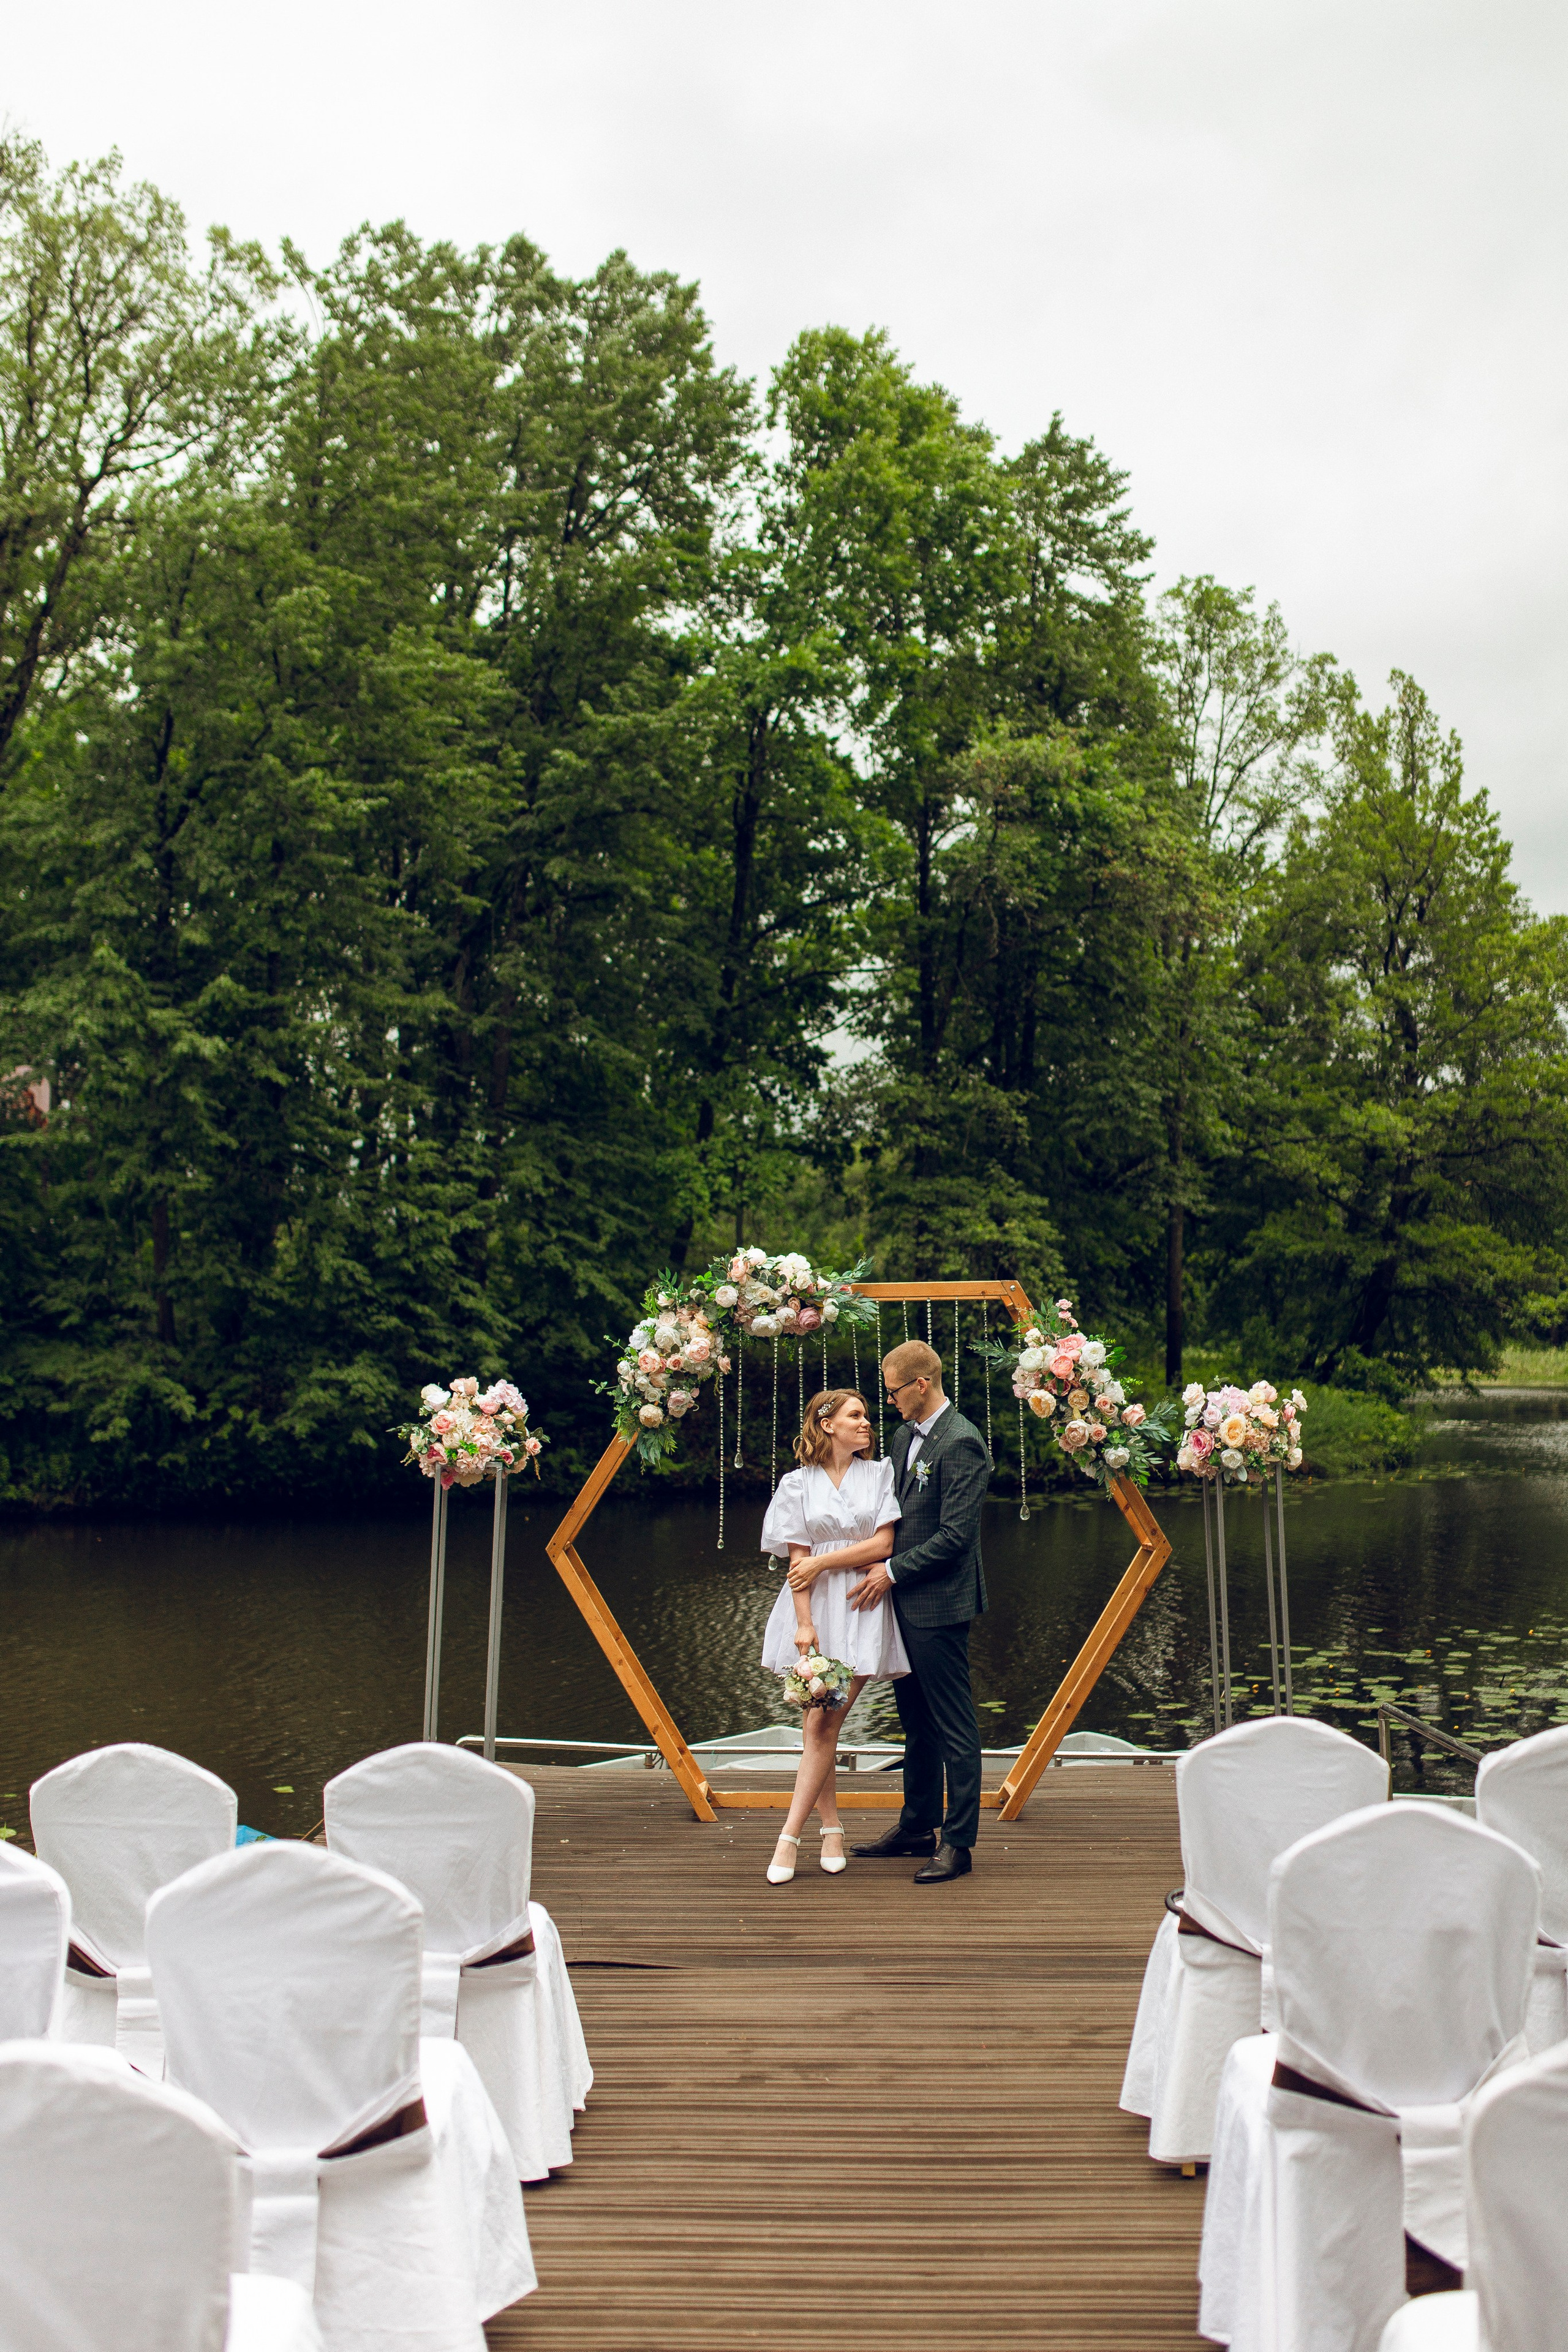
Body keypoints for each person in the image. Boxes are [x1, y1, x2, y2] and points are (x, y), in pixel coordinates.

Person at [847, 1339, 992, 1883]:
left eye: (893, 1392)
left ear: (921, 1385)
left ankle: (959, 1844)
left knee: (955, 1725)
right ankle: (916, 1827)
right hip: (902, 1604)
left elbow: (956, 1537)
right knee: (917, 1723)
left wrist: (891, 1571)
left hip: (940, 1603)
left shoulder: (963, 1444)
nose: (889, 1402)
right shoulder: (905, 1435)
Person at [758, 1388, 908, 1885]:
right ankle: (831, 1830)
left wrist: (825, 1559)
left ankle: (788, 1837)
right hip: (816, 1609)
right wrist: (804, 1625)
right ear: (828, 1426)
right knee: (818, 1728)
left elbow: (884, 1543)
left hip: (863, 1604)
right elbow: (798, 1563)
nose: (867, 1423)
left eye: (866, 1415)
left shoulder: (879, 1473)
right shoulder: (797, 1484)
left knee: (826, 1724)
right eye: (856, 1416)